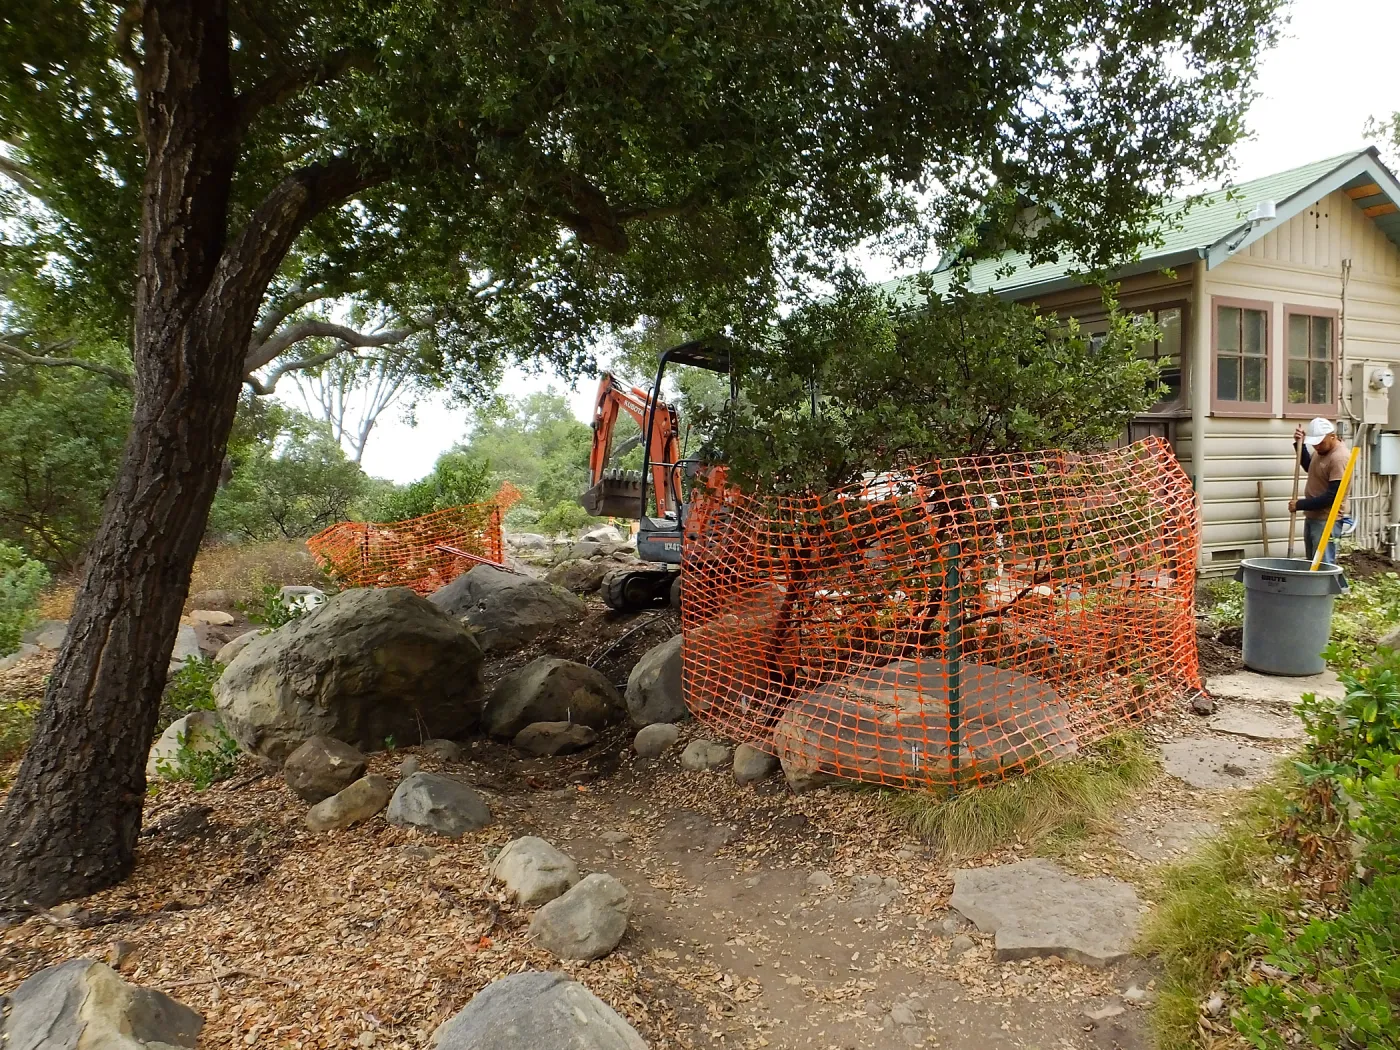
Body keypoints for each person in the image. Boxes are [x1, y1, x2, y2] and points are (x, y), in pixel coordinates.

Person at [1290, 417, 1349, 566]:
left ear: (1332, 436)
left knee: (1323, 565)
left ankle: (1330, 589)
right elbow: (1311, 467)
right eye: (1314, 444)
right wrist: (1300, 445)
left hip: (1327, 520)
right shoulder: (1322, 450)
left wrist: (1300, 504)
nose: (1317, 447)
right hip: (1314, 517)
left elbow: (1332, 496)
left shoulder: (1339, 458)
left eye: (1320, 443)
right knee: (1313, 563)